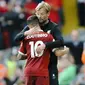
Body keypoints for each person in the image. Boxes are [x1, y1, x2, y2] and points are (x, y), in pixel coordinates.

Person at [15, 1, 64, 85]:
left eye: (42, 14)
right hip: (35, 67)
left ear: (48, 13)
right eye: (37, 14)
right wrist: (26, 33)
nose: (39, 17)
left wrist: (45, 45)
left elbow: (61, 42)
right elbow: (16, 38)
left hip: (50, 65)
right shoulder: (31, 26)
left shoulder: (53, 27)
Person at [17, 15, 54, 85]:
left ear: (29, 26)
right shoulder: (48, 36)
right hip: (42, 71)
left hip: (29, 71)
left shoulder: (26, 38)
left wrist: (29, 54)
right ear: (39, 24)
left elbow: (19, 56)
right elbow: (56, 51)